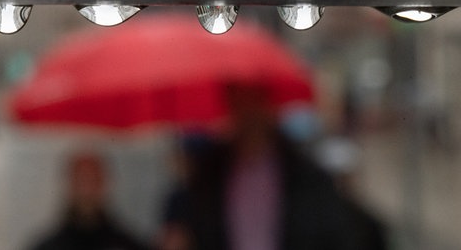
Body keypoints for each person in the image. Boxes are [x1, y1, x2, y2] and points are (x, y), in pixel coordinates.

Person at [159, 82, 387, 250]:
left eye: (254, 100)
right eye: (239, 100)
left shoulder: (307, 177)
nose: (248, 112)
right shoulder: (207, 177)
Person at [31, 152, 148, 250]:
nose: (87, 189)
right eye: (81, 180)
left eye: (93, 179)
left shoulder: (126, 244)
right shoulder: (48, 246)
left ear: (104, 184)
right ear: (69, 185)